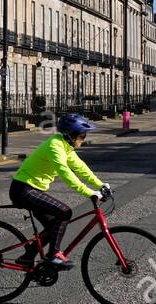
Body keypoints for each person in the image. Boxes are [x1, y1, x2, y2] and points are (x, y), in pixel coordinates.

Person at [10, 113, 110, 270]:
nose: (83, 139)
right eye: (82, 136)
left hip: (33, 189)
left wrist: (100, 184)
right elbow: (66, 174)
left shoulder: (65, 146)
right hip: (23, 189)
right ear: (71, 135)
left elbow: (80, 168)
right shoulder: (54, 146)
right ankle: (54, 255)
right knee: (64, 212)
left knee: (54, 226)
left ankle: (27, 257)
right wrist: (89, 192)